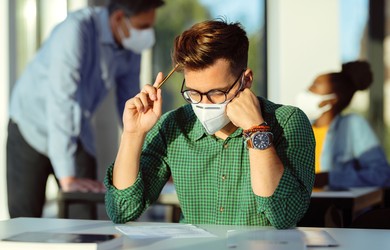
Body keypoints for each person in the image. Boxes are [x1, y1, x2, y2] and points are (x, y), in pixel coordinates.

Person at [104, 19, 315, 229]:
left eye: (216, 92)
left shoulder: (288, 122)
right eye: (194, 93)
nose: (203, 104)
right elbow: (122, 210)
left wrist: (256, 131)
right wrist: (133, 133)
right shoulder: (173, 126)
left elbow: (285, 216)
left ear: (246, 80)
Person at [7, 0, 165, 218]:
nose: (148, 34)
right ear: (119, 18)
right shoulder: (76, 30)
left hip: (77, 128)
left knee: (84, 223)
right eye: (143, 27)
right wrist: (67, 177)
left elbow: (131, 107)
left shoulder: (130, 47)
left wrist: (153, 154)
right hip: (31, 127)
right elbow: (61, 101)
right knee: (24, 221)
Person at [296, 60, 390, 189]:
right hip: (300, 206)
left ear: (332, 99)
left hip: (333, 207)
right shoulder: (300, 128)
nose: (307, 90)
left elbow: (382, 174)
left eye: (315, 85)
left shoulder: (352, 125)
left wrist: (329, 178)